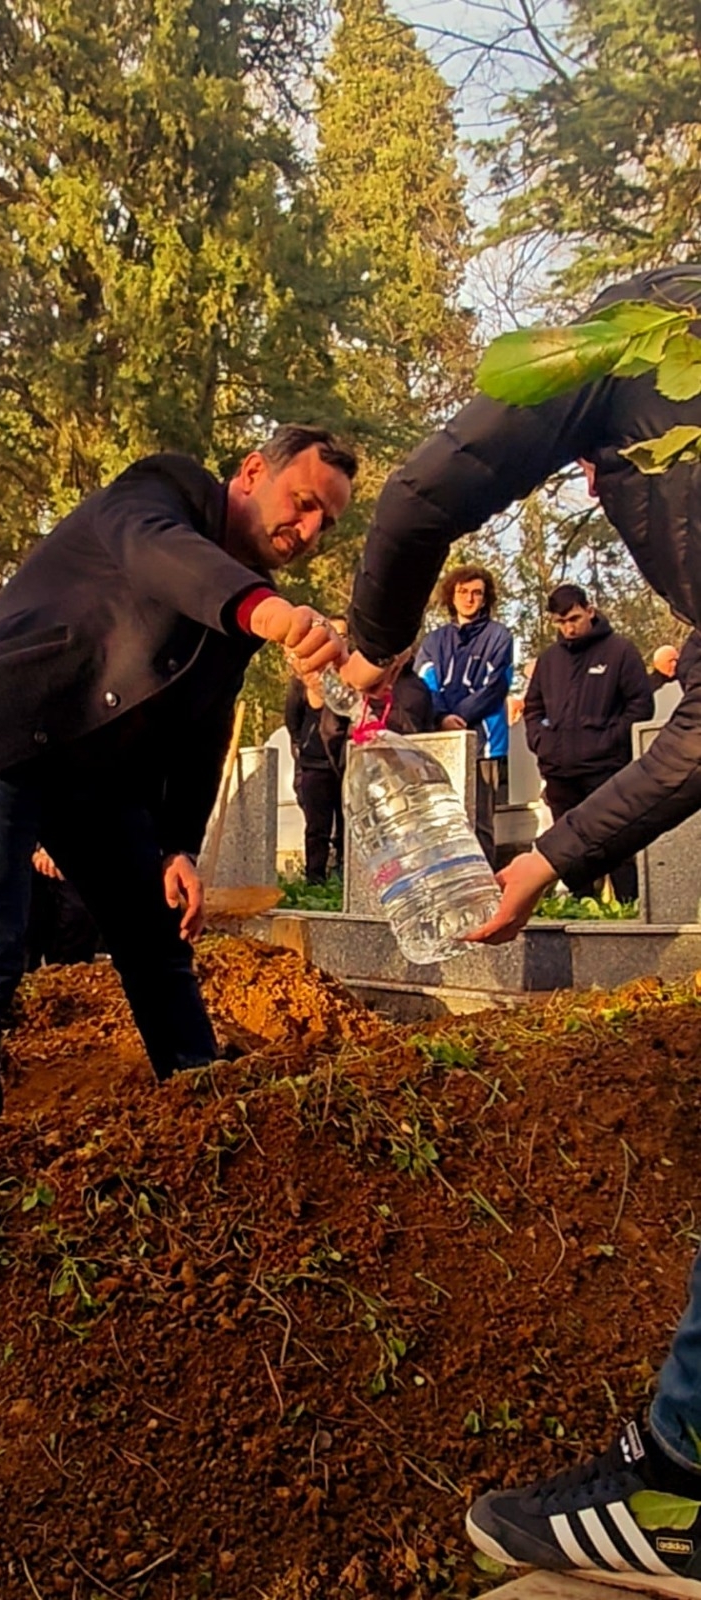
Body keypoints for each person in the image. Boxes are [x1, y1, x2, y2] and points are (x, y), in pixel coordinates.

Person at [342, 262, 701, 1595]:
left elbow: (418, 494)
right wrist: (545, 858)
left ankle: (682, 1491)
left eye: (606, 473)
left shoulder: (619, 347)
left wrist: (375, 648)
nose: (607, 493)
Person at [0, 426, 356, 1136]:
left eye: (324, 523)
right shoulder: (164, 491)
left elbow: (204, 727)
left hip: (98, 781)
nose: (306, 531)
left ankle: (208, 1116)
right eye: (302, 503)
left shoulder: (244, 607)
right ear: (250, 472)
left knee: (156, 945)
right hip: (3, 737)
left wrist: (178, 843)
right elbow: (160, 554)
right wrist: (264, 611)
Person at [525, 583, 652, 902]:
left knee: (617, 843)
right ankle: (582, 907)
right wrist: (542, 742)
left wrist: (609, 740)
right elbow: (533, 707)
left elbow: (640, 705)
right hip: (559, 772)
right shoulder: (549, 660)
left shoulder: (620, 651)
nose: (568, 628)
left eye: (574, 619)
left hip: (606, 770)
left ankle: (628, 908)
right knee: (569, 851)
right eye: (561, 622)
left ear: (590, 611)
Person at [414, 564, 512, 866]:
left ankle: (486, 886)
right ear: (451, 595)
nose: (470, 599)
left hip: (484, 743)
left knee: (481, 820)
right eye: (463, 592)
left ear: (485, 599)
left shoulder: (500, 637)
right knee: (443, 818)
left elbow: (496, 685)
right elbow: (425, 683)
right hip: (441, 742)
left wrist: (462, 717)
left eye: (477, 593)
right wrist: (442, 717)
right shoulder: (433, 641)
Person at [285, 617, 349, 884]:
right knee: (317, 828)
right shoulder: (299, 684)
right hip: (314, 765)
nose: (338, 640)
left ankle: (346, 877)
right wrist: (304, 751)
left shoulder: (351, 680)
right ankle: (315, 880)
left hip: (346, 763)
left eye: (343, 635)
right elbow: (293, 723)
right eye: (333, 633)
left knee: (347, 826)